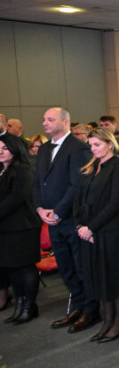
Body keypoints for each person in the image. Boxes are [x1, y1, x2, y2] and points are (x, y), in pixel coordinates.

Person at [35, 108, 96, 331]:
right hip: (51, 219)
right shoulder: (44, 149)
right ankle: (77, 306)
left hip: (72, 219)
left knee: (81, 266)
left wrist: (58, 212)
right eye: (44, 119)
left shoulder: (78, 147)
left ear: (65, 122)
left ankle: (90, 310)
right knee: (65, 267)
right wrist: (40, 209)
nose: (45, 123)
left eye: (50, 119)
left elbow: (77, 184)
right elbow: (37, 182)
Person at [73, 128, 119, 342]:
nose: (93, 149)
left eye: (97, 144)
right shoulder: (92, 167)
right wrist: (80, 225)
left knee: (114, 278)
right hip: (90, 233)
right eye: (91, 145)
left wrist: (91, 227)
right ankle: (107, 321)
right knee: (99, 278)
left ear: (109, 144)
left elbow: (116, 203)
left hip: (111, 232)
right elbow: (78, 199)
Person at [0, 134, 42, 324]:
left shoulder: (23, 170)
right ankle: (19, 303)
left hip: (23, 227)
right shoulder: (3, 170)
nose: (1, 152)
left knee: (25, 267)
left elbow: (16, 198)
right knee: (12, 268)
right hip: (5, 228)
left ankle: (29, 306)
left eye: (5, 148)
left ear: (15, 149)